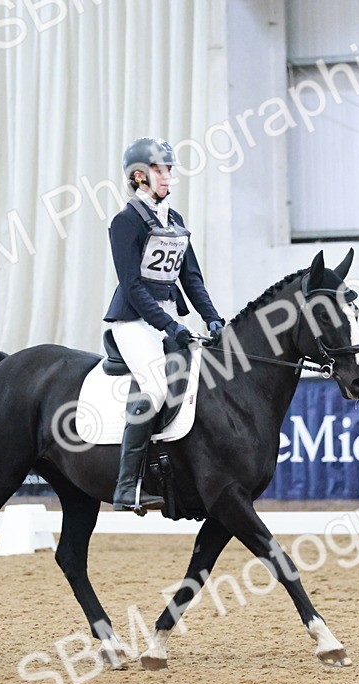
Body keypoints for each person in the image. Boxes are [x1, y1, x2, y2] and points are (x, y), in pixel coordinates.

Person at [103, 137, 225, 512]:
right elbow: (132, 286)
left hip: (168, 319)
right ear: (139, 176)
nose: (168, 176)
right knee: (155, 389)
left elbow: (192, 279)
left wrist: (213, 317)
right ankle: (126, 487)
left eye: (169, 169)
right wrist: (170, 327)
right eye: (160, 169)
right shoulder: (124, 223)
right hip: (134, 322)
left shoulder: (174, 221)